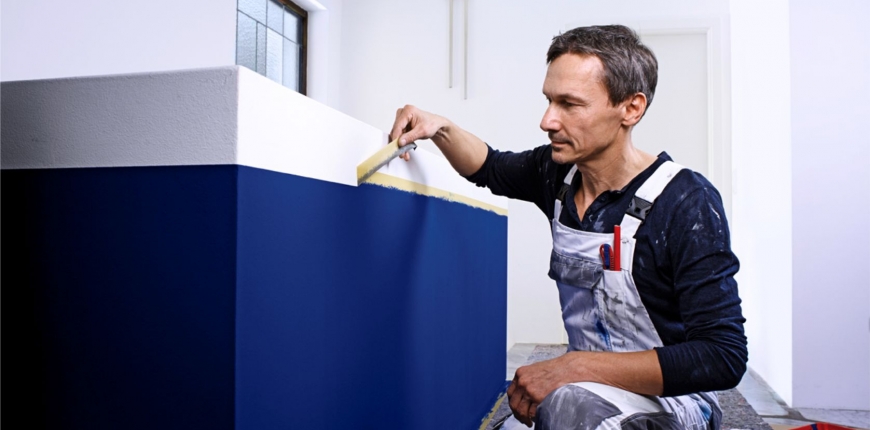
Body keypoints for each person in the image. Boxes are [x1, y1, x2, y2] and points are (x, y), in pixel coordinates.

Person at [389, 25, 746, 430]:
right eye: (549, 100)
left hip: (675, 404)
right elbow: (488, 166)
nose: (547, 121)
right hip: (584, 390)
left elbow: (723, 355)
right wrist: (438, 126)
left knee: (569, 406)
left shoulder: (686, 201)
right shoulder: (556, 173)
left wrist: (573, 366)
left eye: (569, 104)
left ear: (631, 108)